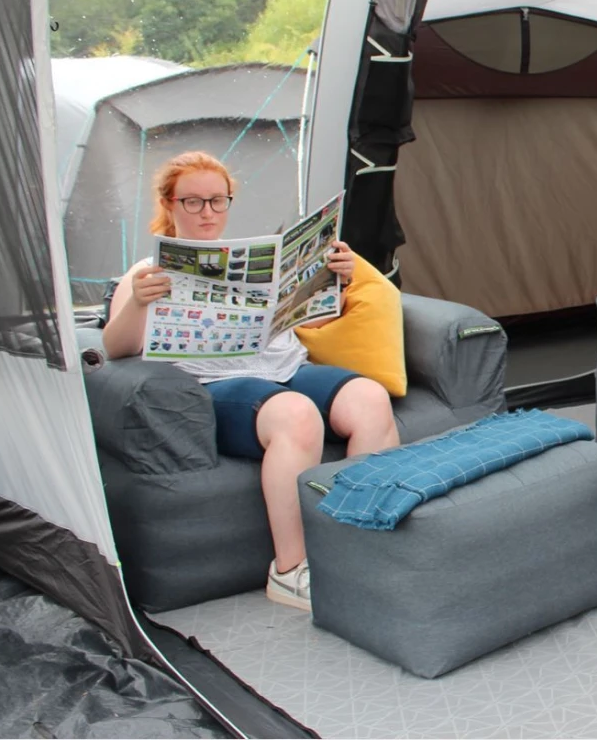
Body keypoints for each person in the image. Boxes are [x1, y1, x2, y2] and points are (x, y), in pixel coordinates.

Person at [103, 151, 399, 611]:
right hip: (218, 383)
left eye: (218, 201)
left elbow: (314, 323)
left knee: (370, 398)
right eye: (193, 201)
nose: (207, 212)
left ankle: (356, 543)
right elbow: (114, 348)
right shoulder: (147, 272)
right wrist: (139, 303)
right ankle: (289, 570)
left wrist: (332, 283)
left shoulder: (256, 261)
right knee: (296, 415)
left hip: (288, 367)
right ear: (169, 203)